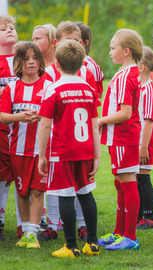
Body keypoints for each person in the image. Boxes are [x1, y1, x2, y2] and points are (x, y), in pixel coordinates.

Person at [37, 21, 99, 242]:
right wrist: (97, 154)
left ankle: (71, 243)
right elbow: (94, 123)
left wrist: (41, 154)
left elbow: (45, 124)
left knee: (63, 193)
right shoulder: (88, 89)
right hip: (85, 149)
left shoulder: (53, 88)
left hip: (61, 149)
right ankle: (91, 241)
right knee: (85, 193)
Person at [0, 41, 51, 248]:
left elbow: (57, 115)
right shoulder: (11, 89)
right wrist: (20, 116)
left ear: (40, 61)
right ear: (18, 62)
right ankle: (25, 229)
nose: (31, 62)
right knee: (22, 192)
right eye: (26, 58)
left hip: (41, 150)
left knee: (38, 191)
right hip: (18, 149)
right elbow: (3, 116)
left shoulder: (49, 87)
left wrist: (42, 117)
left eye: (35, 58)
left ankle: (32, 234)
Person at [97, 29, 142, 250]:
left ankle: (130, 237)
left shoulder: (126, 76)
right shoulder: (126, 73)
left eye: (113, 48)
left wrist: (100, 120)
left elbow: (125, 112)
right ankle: (119, 232)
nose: (110, 51)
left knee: (127, 180)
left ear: (126, 51)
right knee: (120, 182)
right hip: (120, 138)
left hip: (124, 137)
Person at [32, 23, 57, 234]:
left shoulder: (61, 67)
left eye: (38, 38)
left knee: (57, 175)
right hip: (40, 129)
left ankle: (57, 220)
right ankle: (40, 218)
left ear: (52, 42)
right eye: (32, 38)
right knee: (40, 174)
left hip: (60, 131)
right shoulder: (34, 69)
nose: (34, 43)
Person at [0, 14, 23, 240]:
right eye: (3, 29)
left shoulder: (24, 60)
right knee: (2, 176)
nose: (9, 30)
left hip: (24, 128)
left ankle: (25, 224)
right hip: (2, 127)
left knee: (24, 175)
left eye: (12, 27)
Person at [136, 46, 153, 230]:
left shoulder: (147, 90)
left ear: (142, 66)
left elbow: (148, 121)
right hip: (138, 141)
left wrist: (143, 146)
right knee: (136, 178)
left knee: (143, 178)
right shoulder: (140, 87)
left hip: (144, 142)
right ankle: (138, 216)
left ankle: (149, 218)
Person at [75, 22, 104, 99]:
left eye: (75, 40)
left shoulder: (92, 66)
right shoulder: (60, 62)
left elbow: (98, 95)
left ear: (85, 43)